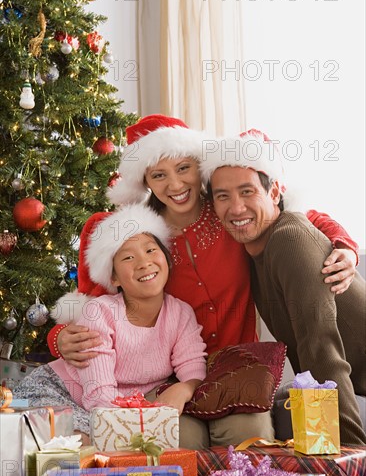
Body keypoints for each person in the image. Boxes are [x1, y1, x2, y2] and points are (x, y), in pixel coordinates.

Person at [47, 115, 359, 445]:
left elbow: (296, 216)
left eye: (184, 168)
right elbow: (96, 306)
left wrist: (346, 247)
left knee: (251, 439)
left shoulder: (230, 210)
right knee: (177, 445)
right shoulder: (141, 237)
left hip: (240, 369)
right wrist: (61, 337)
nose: (175, 185)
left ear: (199, 166)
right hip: (171, 376)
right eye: (159, 175)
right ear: (146, 182)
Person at [201, 129, 366, 445]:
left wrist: (347, 452)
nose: (236, 209)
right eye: (223, 196)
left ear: (274, 191)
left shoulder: (289, 240)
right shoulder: (251, 249)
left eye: (247, 191)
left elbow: (320, 349)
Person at [13, 204, 207, 448]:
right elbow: (98, 394)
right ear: (113, 278)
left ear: (166, 258)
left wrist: (185, 388)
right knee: (80, 443)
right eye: (128, 257)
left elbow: (193, 367)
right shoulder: (100, 313)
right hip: (61, 391)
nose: (144, 263)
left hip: (114, 405)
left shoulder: (181, 313)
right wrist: (135, 427)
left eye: (150, 250)